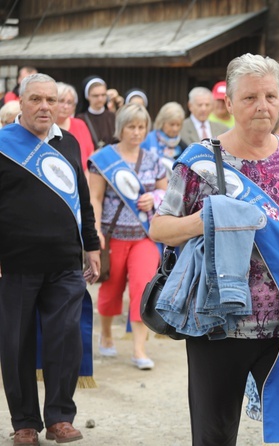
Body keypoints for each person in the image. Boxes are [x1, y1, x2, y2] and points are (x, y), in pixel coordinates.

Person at [149, 53, 279, 446]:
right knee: (214, 436)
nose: (262, 106)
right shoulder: (199, 162)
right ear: (229, 104)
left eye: (270, 96)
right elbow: (160, 227)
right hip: (220, 324)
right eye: (250, 98)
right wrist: (207, 220)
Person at [0, 73, 100, 445]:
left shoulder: (70, 143)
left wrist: (91, 245)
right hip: (14, 263)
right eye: (36, 99)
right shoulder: (2, 144)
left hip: (65, 262)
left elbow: (83, 201)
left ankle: (60, 417)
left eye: (51, 100)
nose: (45, 107)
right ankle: (24, 422)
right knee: (16, 344)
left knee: (64, 340)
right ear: (21, 103)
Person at [88, 103, 167, 370]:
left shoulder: (153, 160)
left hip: (144, 236)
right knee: (111, 289)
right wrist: (95, 230)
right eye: (131, 126)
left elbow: (167, 194)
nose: (136, 132)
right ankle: (107, 333)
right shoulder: (103, 158)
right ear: (120, 128)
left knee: (142, 289)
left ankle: (139, 349)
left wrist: (153, 198)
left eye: (141, 127)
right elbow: (95, 199)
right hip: (113, 236)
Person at [55, 82, 95, 173]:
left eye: (69, 103)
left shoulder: (80, 125)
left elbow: (90, 158)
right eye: (61, 101)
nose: (65, 106)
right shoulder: (45, 126)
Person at [76, 76, 116, 150]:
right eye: (96, 96)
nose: (100, 99)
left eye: (103, 95)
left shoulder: (113, 116)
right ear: (87, 96)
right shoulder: (80, 119)